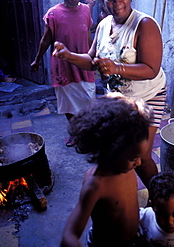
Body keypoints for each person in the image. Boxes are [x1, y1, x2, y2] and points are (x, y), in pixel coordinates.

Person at [53, 0, 166, 186]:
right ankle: (125, 198)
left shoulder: (144, 25)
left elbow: (151, 69)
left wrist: (116, 68)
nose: (116, 2)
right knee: (122, 152)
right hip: (120, 100)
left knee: (141, 156)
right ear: (103, 0)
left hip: (149, 96)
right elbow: (92, 61)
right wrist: (68, 56)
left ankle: (159, 196)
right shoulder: (104, 25)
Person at [60, 93, 151, 247]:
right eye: (133, 157)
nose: (139, 162)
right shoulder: (95, 185)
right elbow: (70, 235)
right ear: (111, 151)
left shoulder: (125, 166)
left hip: (135, 238)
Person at [31, 0, 95, 146]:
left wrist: (92, 55)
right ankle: (75, 131)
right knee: (68, 104)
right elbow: (46, 40)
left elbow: (88, 34)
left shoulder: (85, 10)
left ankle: (88, 131)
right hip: (63, 66)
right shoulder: (53, 14)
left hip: (83, 63)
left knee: (88, 99)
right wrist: (37, 60)